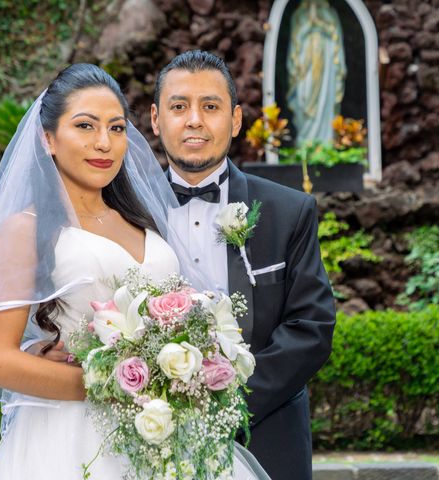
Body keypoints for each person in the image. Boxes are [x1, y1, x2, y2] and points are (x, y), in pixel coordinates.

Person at [0, 63, 269, 479]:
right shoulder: (24, 229)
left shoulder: (139, 218)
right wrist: (122, 384)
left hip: (165, 433)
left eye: (116, 129)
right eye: (85, 126)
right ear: (48, 139)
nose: (104, 143)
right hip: (71, 440)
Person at [150, 50, 336, 480]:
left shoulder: (289, 211)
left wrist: (231, 406)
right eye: (179, 107)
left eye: (210, 107)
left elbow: (312, 326)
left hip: (266, 437)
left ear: (234, 121)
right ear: (157, 120)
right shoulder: (127, 215)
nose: (194, 120)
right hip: (152, 440)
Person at [287, 0, 346, 144]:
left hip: (326, 65)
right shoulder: (299, 15)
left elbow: (336, 37)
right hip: (304, 66)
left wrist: (319, 23)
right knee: (303, 97)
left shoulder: (330, 13)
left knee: (325, 99)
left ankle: (326, 140)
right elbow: (295, 41)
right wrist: (309, 25)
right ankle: (305, 139)